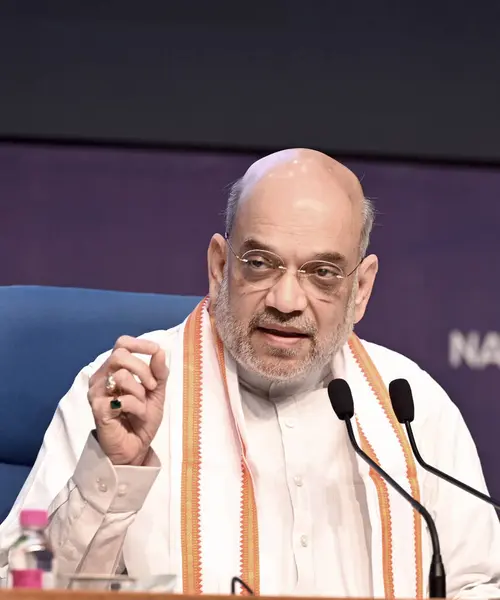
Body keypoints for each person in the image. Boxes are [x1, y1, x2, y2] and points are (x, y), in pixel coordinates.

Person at [0, 148, 499, 598]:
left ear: (361, 288)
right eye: (260, 264)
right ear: (220, 267)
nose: (286, 301)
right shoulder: (124, 395)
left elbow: (479, 584)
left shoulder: (412, 407)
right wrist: (112, 471)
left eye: (323, 272)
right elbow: (19, 583)